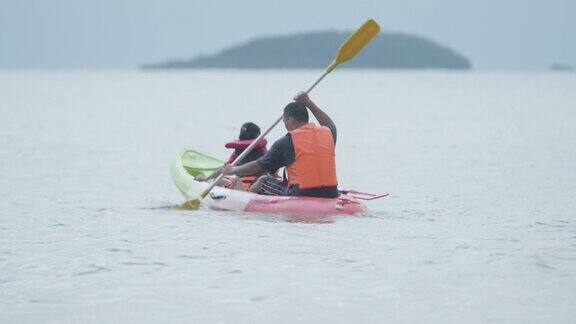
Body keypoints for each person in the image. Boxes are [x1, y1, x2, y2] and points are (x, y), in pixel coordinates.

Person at [222, 92, 339, 198]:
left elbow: (259, 165)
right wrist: (309, 103)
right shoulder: (328, 134)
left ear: (291, 120)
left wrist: (234, 169)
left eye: (285, 122)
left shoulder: (287, 141)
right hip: (331, 192)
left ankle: (245, 197)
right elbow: (329, 123)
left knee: (263, 180)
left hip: (301, 194)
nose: (285, 126)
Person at [196, 122, 268, 190]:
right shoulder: (262, 149)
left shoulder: (238, 151)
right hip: (254, 183)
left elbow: (224, 169)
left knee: (219, 180)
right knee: (261, 180)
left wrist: (207, 178)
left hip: (242, 182)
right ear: (258, 135)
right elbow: (271, 167)